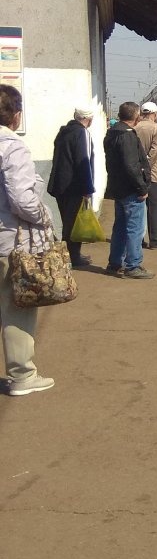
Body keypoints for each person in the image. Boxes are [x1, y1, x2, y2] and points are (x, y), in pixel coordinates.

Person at [0, 84, 55, 396]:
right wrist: (43, 216)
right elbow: (22, 200)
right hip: (8, 241)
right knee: (16, 307)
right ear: (16, 116)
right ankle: (22, 376)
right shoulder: (12, 146)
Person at [103, 102, 154, 280]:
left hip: (118, 188)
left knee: (120, 228)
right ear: (136, 116)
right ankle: (133, 265)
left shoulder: (112, 133)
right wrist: (142, 187)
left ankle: (115, 263)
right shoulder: (127, 136)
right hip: (131, 190)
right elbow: (131, 166)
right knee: (135, 229)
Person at [47, 105, 96, 268]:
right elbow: (84, 162)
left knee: (67, 223)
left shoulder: (63, 132)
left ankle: (68, 255)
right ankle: (73, 258)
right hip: (75, 186)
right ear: (88, 119)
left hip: (61, 186)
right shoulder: (82, 133)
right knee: (75, 223)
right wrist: (88, 189)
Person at [134, 101, 157, 250]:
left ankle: (139, 239)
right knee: (155, 206)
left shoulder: (134, 128)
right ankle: (156, 241)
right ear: (155, 114)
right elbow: (154, 151)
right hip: (154, 174)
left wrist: (137, 170)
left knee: (138, 207)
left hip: (136, 172)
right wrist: (145, 169)